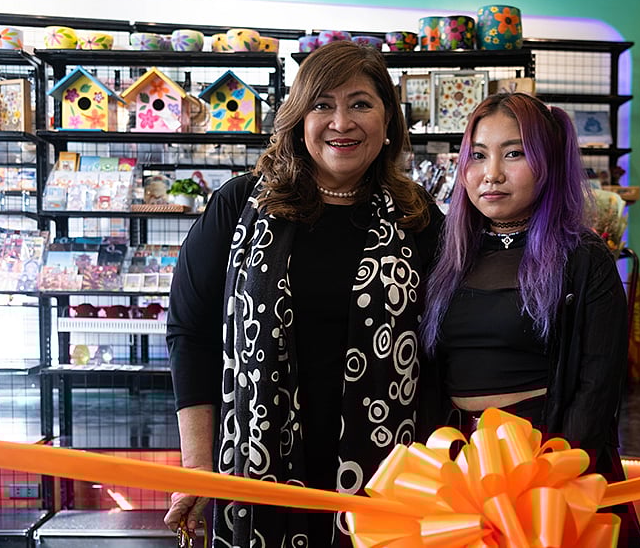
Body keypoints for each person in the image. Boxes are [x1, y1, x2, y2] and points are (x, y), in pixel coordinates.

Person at [164, 41, 444, 547]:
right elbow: (190, 332)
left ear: (387, 124)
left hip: (387, 466)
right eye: (323, 104)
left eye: (361, 103)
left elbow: (448, 342)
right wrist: (197, 466)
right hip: (257, 461)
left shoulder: (418, 217)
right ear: (298, 118)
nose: (342, 122)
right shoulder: (239, 204)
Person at [420, 92, 640, 546]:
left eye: (514, 154)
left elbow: (596, 389)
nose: (492, 174)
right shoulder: (444, 254)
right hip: (458, 466)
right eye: (478, 156)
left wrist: (555, 478)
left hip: (551, 462)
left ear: (549, 164)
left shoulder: (584, 259)